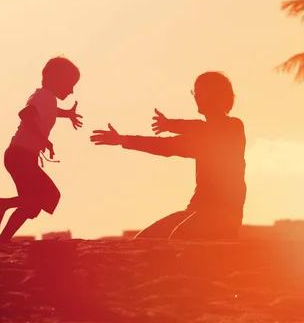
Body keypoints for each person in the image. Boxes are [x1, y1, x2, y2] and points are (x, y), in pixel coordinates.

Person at [90, 71, 246, 241]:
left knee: (179, 237)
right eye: (195, 91)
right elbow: (165, 146)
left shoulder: (233, 128)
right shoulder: (199, 140)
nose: (196, 97)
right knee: (143, 241)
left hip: (224, 214)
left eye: (201, 91)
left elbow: (206, 130)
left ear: (216, 94)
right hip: (195, 210)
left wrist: (170, 124)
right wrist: (123, 140)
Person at [0, 56, 83, 242]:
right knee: (47, 196)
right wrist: (44, 140)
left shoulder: (46, 98)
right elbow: (25, 114)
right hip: (20, 157)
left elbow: (48, 111)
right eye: (70, 84)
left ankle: (2, 240)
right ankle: (2, 204)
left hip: (23, 157)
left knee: (33, 205)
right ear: (57, 80)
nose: (72, 90)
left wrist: (67, 114)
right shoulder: (44, 96)